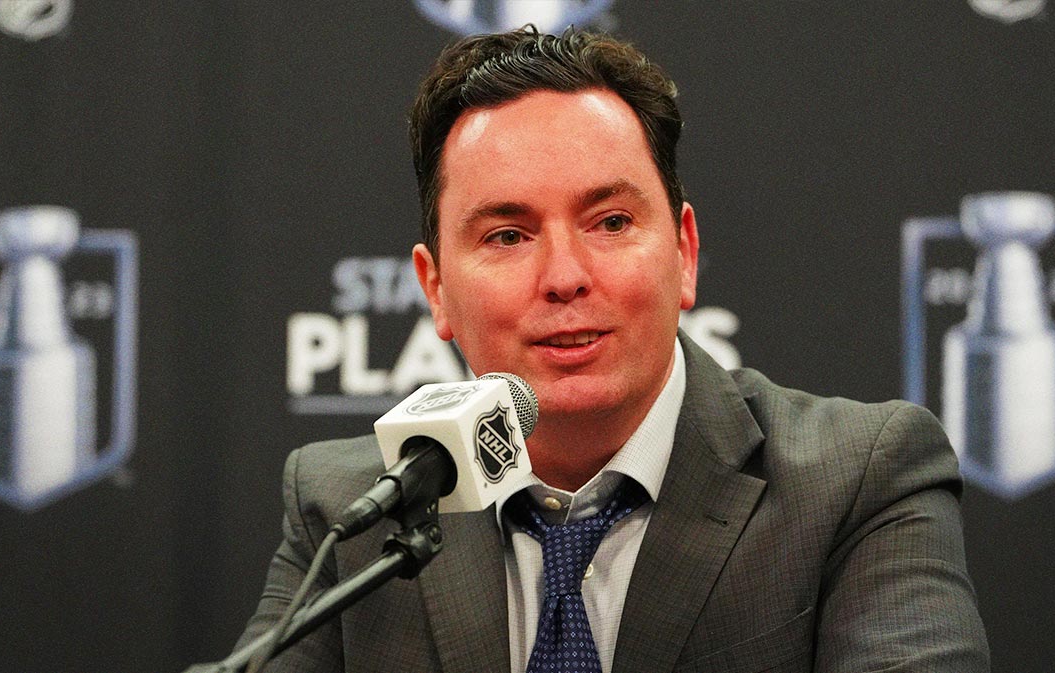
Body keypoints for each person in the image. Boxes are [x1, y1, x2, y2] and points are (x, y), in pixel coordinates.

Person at [232, 26, 990, 673]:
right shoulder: (349, 513)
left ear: (685, 253)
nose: (564, 277)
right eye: (507, 235)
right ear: (434, 289)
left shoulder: (858, 481)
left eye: (612, 222)